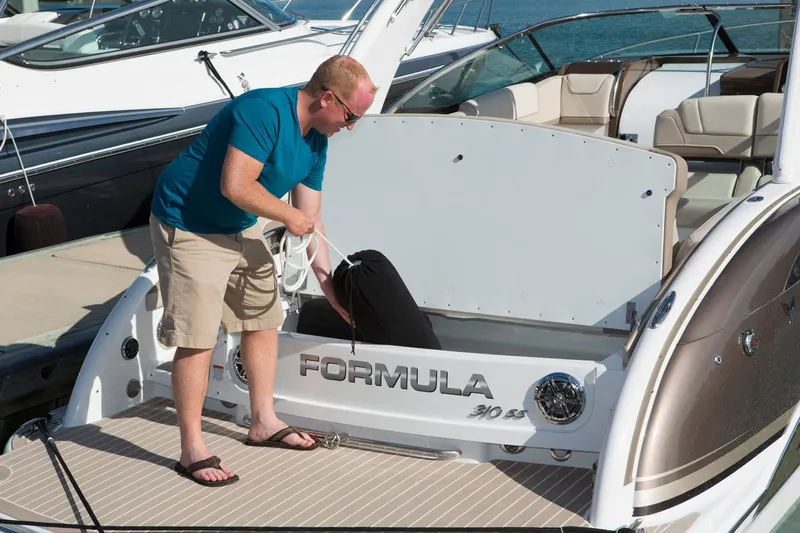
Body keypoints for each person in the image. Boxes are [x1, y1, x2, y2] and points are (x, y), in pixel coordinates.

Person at [148, 55, 377, 487]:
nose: (350, 127)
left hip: (241, 223)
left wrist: (329, 289)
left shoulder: (317, 142)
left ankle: (263, 421)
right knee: (196, 336)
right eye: (350, 116)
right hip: (189, 221)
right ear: (326, 97)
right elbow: (235, 185)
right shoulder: (263, 111)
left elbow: (312, 220)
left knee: (262, 319)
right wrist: (287, 216)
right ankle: (192, 447)